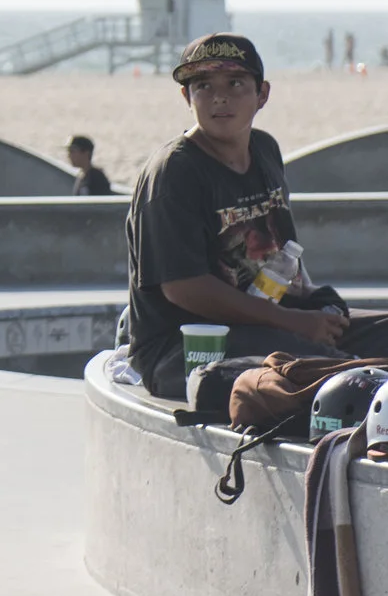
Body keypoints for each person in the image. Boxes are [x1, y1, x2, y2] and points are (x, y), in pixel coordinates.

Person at [124, 32, 388, 398]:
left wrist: (314, 308)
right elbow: (184, 288)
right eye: (203, 86)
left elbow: (284, 252)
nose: (219, 97)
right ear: (186, 96)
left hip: (271, 319)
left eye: (235, 83)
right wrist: (293, 322)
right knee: (340, 374)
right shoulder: (173, 172)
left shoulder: (264, 149)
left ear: (262, 94)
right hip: (187, 346)